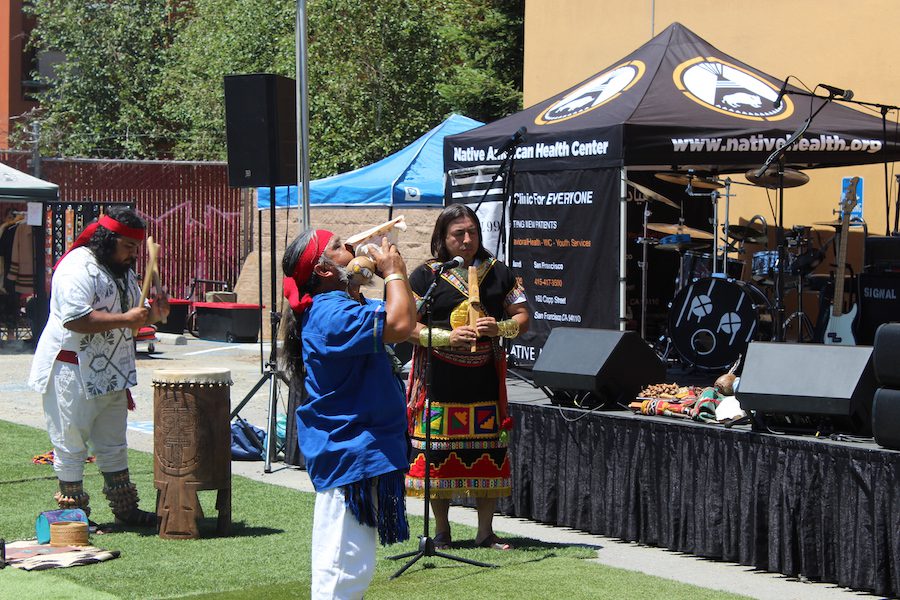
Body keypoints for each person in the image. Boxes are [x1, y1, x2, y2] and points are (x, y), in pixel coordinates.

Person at [279, 229, 416, 599]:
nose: (352, 247)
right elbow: (400, 324)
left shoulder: (342, 305)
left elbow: (405, 319)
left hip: (359, 448)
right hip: (350, 450)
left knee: (349, 565)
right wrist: (393, 271)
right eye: (339, 246)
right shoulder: (330, 313)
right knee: (343, 568)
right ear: (324, 271)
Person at [28, 206, 169, 526]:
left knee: (113, 443)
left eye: (137, 248)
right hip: (71, 370)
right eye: (128, 247)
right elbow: (76, 319)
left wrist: (156, 312)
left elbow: (138, 317)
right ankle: (73, 517)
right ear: (108, 240)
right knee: (70, 445)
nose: (134, 255)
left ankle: (126, 511)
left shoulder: (123, 270)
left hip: (112, 372)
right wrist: (127, 318)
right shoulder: (76, 268)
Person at [405, 204, 530, 550]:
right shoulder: (426, 277)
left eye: (472, 232)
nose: (466, 239)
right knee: (439, 458)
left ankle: (485, 532)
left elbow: (522, 316)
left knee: (487, 454)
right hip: (439, 383)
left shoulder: (499, 272)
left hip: (483, 384)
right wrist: (446, 337)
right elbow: (406, 326)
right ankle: (442, 530)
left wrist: (500, 327)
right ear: (442, 239)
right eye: (458, 234)